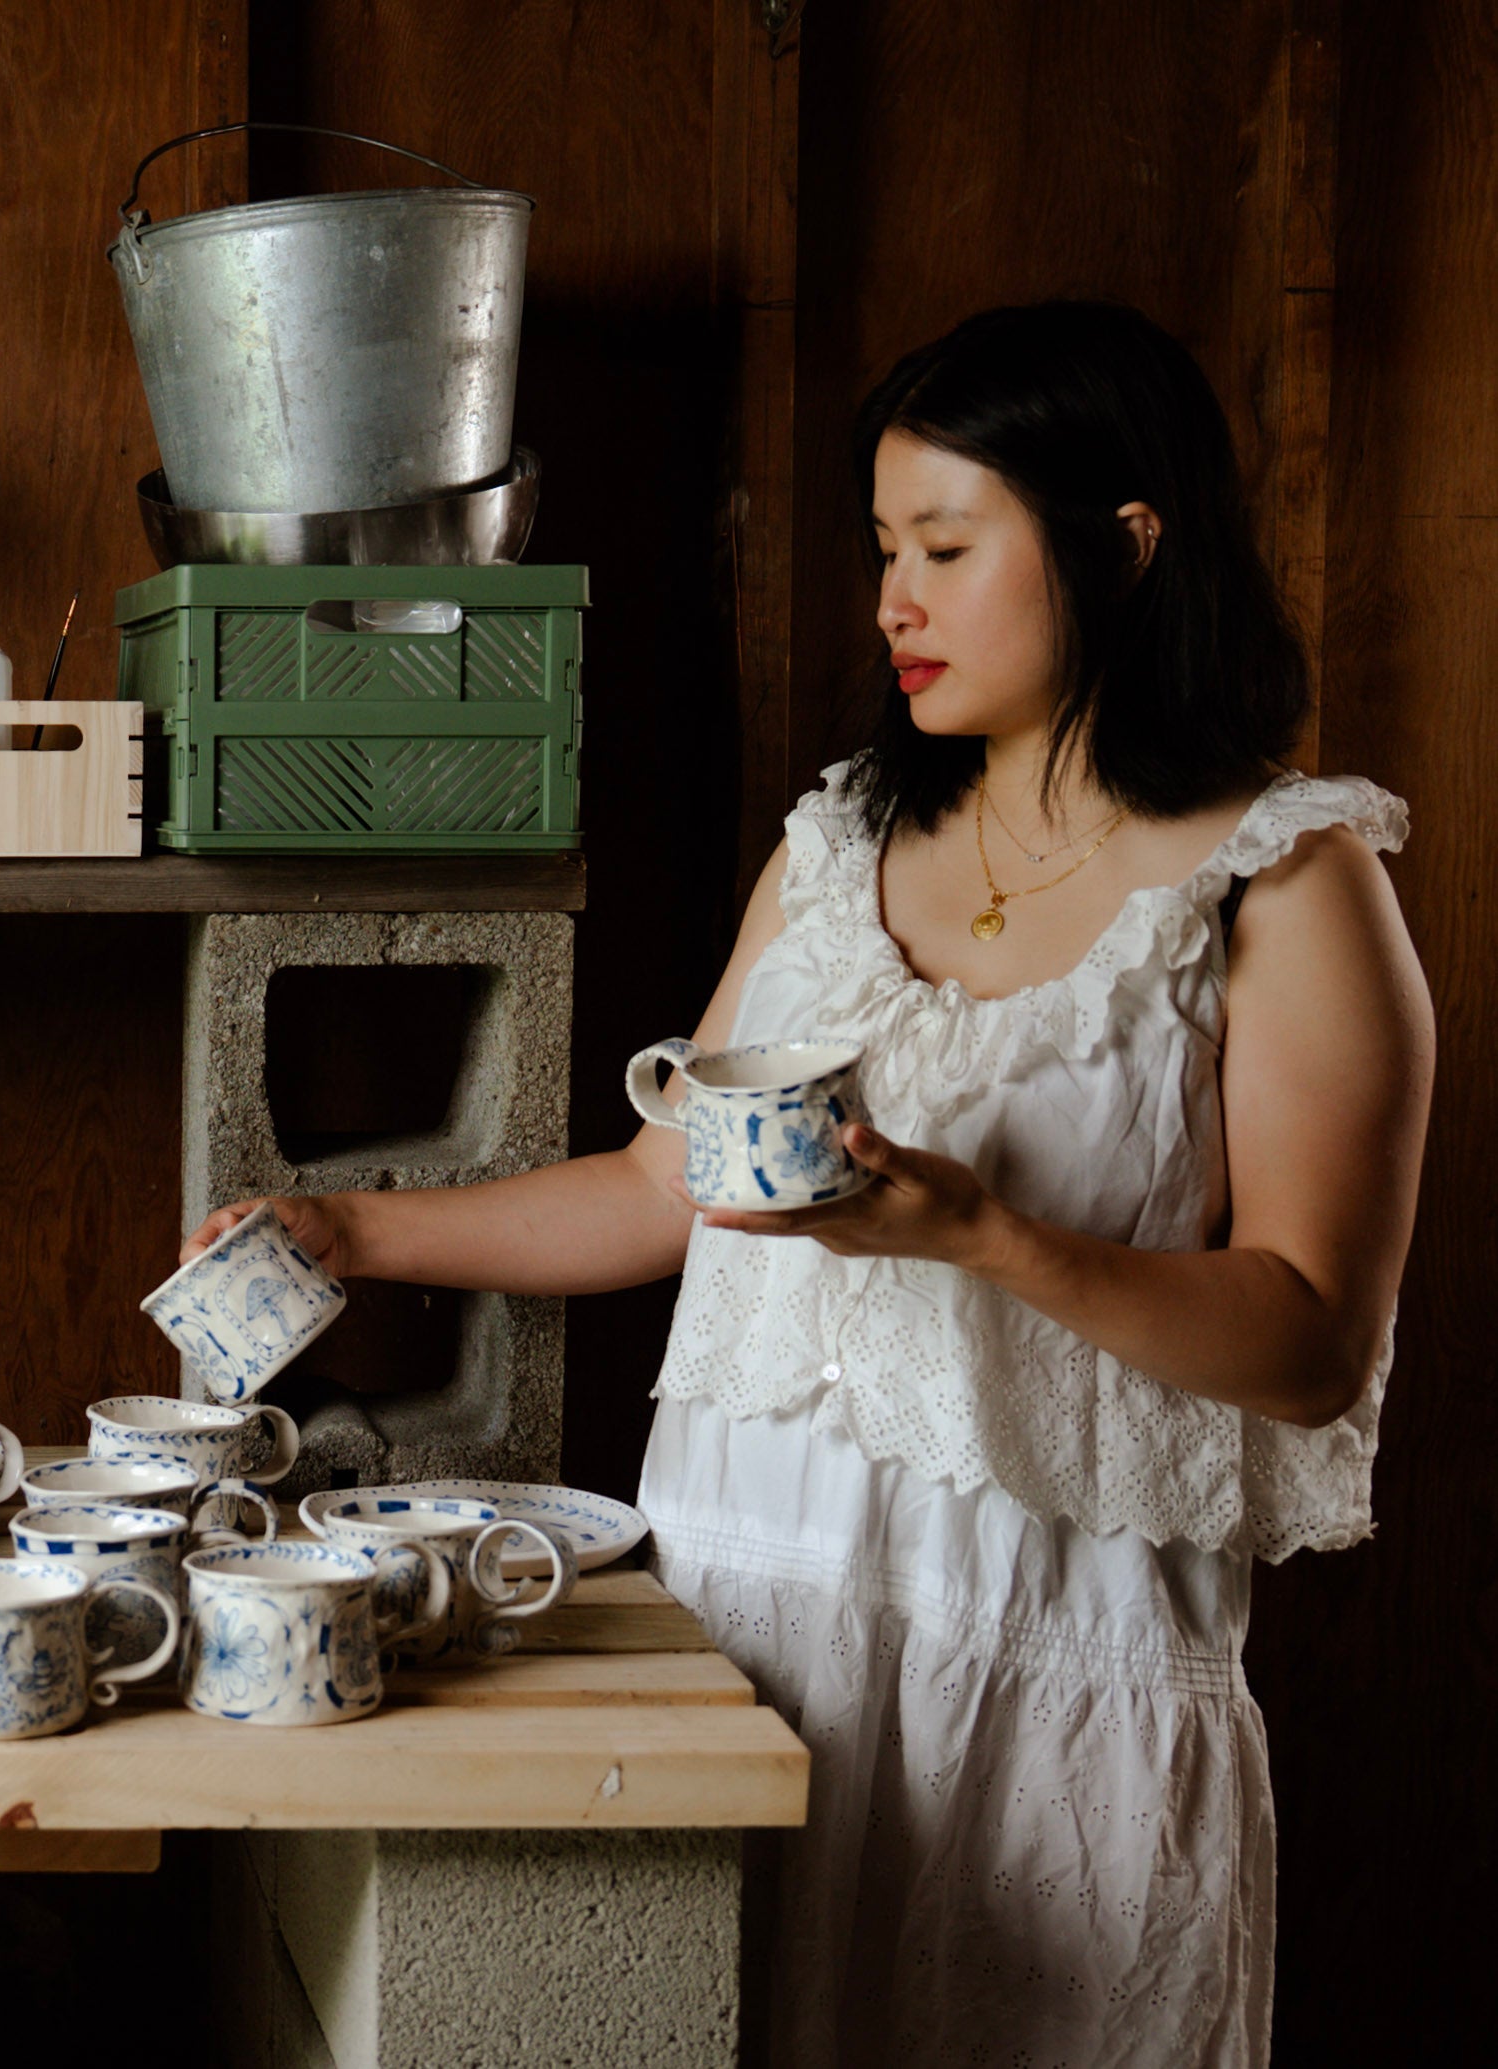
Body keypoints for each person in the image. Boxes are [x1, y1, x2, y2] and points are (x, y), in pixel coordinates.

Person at [182, 301, 1431, 2068]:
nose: (891, 601)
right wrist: (355, 1227)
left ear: (1124, 545)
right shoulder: (841, 841)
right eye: (879, 551)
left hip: (1039, 1681)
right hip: (742, 1641)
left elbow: (1312, 1336)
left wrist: (979, 1233)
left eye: (943, 546)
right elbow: (660, 1178)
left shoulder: (1286, 884)